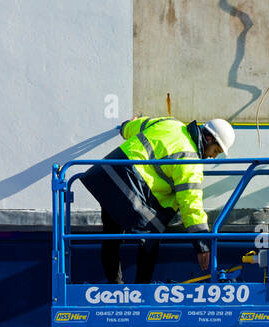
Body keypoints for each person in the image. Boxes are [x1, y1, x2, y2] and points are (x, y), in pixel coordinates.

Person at [78, 116, 235, 283]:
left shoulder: (171, 123)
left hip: (108, 175)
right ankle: (141, 291)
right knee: (151, 235)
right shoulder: (190, 160)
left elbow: (135, 126)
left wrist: (125, 127)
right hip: (129, 188)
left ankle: (115, 288)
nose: (213, 157)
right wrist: (202, 245)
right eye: (215, 151)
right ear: (208, 138)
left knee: (110, 236)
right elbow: (190, 204)